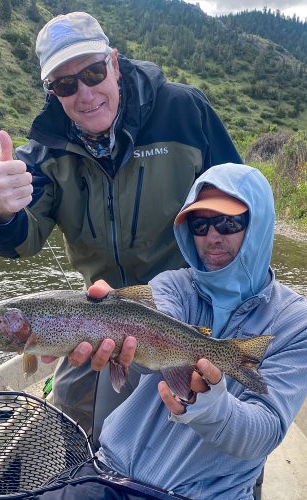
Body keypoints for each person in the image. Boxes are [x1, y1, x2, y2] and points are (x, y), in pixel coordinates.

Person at [0, 12, 241, 432]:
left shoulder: (184, 111)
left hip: (191, 303)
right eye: (65, 84)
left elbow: (238, 203)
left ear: (114, 62)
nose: (85, 93)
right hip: (98, 309)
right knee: (71, 418)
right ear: (52, 91)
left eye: (94, 72)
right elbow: (20, 240)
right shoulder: (42, 154)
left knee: (207, 424)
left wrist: (234, 294)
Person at [46, 163, 307, 500]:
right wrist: (116, 330)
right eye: (200, 224)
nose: (213, 236)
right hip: (111, 471)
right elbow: (155, 334)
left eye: (229, 223)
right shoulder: (174, 284)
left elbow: (266, 430)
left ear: (258, 225)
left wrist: (212, 408)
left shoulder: (294, 321)